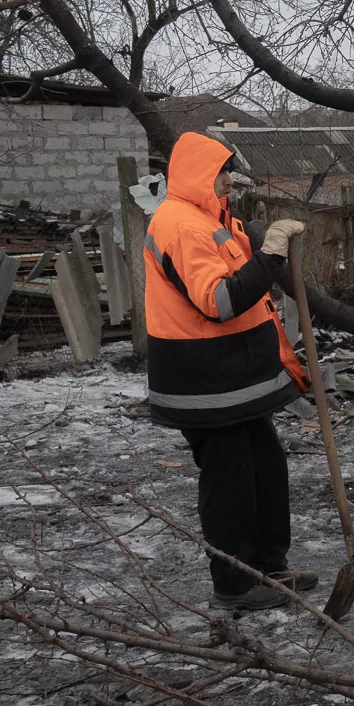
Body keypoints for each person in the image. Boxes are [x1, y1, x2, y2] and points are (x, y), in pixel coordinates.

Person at [143, 132, 314, 610]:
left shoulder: (209, 219)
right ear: (201, 174)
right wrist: (270, 254)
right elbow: (220, 301)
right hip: (203, 380)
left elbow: (243, 283)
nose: (230, 182)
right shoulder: (181, 224)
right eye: (222, 173)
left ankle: (269, 570)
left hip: (232, 377)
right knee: (231, 480)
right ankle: (235, 586)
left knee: (264, 467)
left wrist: (260, 250)